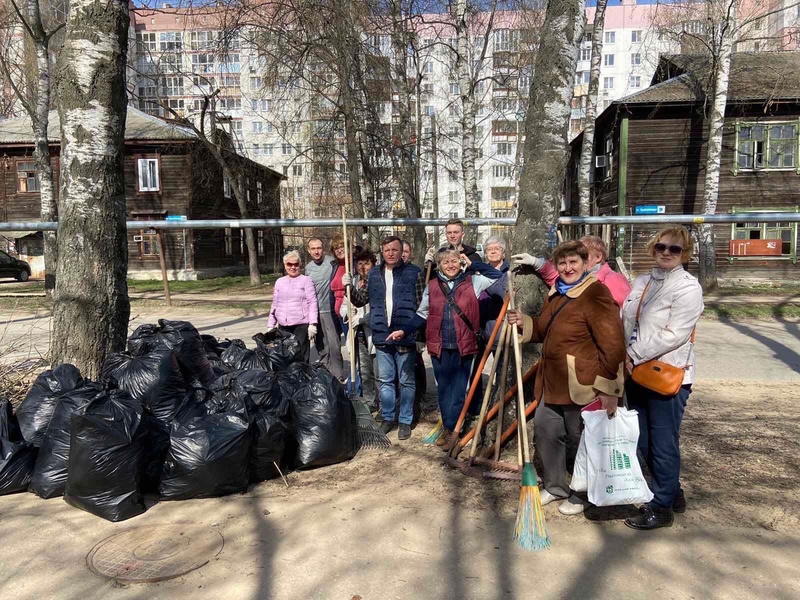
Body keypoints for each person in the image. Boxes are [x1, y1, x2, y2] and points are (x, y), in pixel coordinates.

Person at [507, 240, 625, 516]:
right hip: (552, 381)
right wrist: (524, 322)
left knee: (583, 440)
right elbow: (545, 329)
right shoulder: (557, 292)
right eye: (562, 263)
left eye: (573, 262)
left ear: (586, 264)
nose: (567, 267)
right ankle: (556, 486)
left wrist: (610, 389)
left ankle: (585, 493)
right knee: (547, 432)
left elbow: (613, 344)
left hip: (583, 382)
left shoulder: (596, 293)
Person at [621, 225, 704, 530]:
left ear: (686, 254)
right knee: (642, 440)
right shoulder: (642, 281)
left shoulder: (687, 287)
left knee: (663, 442)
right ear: (653, 249)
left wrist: (633, 354)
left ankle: (662, 507)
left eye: (675, 249)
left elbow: (675, 334)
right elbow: (626, 321)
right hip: (634, 372)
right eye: (662, 247)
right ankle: (673, 493)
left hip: (666, 373)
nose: (667, 253)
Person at [394, 249, 502, 448]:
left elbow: (497, 275)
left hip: (465, 344)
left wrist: (473, 264)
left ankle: (453, 429)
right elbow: (422, 314)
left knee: (460, 389)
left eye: (454, 261)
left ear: (460, 262)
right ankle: (449, 427)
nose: (450, 265)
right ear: (439, 266)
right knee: (444, 389)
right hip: (439, 345)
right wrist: (404, 330)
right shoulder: (432, 286)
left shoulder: (473, 282)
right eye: (446, 262)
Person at [347, 236, 425, 440]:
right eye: (387, 250)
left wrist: (418, 334)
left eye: (395, 249)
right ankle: (389, 417)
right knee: (386, 380)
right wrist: (348, 287)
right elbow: (360, 299)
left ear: (401, 251)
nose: (391, 253)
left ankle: (406, 420)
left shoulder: (414, 273)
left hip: (405, 334)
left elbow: (421, 306)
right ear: (382, 252)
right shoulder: (373, 274)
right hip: (382, 333)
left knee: (407, 380)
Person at [513, 235, 631, 308]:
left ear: (598, 257)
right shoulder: (580, 276)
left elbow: (622, 313)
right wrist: (536, 262)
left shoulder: (614, 280)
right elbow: (556, 275)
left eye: (584, 255)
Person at [340, 250, 379, 407]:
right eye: (360, 263)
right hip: (358, 334)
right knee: (364, 371)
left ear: (373, 264)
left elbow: (378, 309)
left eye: (367, 263)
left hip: (374, 333)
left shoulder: (377, 281)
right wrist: (347, 314)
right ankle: (370, 402)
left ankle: (384, 403)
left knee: (378, 372)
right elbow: (344, 306)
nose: (363, 267)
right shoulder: (353, 282)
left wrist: (362, 318)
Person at [267, 250, 318, 362]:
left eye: (296, 264)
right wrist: (270, 325)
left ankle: (303, 378)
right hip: (283, 327)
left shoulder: (306, 280)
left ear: (300, 265)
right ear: (285, 266)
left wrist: (312, 324)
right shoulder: (279, 282)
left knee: (301, 357)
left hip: (301, 326)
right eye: (290, 264)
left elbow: (312, 302)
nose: (293, 267)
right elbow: (275, 304)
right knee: (286, 357)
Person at [305, 237, 344, 380]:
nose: (316, 251)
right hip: (315, 312)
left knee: (334, 345)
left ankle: (338, 377)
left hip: (330, 310)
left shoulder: (332, 263)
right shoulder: (308, 269)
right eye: (313, 248)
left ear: (323, 249)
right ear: (309, 251)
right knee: (321, 347)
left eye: (319, 248)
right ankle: (325, 377)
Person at [479, 235, 509, 349]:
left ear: (503, 253)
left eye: (497, 249)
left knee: (500, 366)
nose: (493, 252)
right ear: (485, 254)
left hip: (500, 330)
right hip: (480, 331)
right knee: (476, 367)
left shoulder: (509, 272)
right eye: (489, 249)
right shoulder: (480, 271)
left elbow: (502, 295)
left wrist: (485, 278)